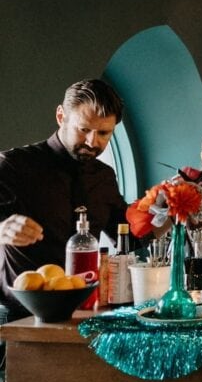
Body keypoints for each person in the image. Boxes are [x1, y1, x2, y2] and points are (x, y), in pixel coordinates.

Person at [0, 79, 129, 320]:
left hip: (86, 314)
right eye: (84, 129)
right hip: (22, 318)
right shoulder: (13, 165)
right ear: (61, 116)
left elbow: (129, 234)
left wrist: (164, 210)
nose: (93, 142)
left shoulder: (104, 176)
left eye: (103, 133)